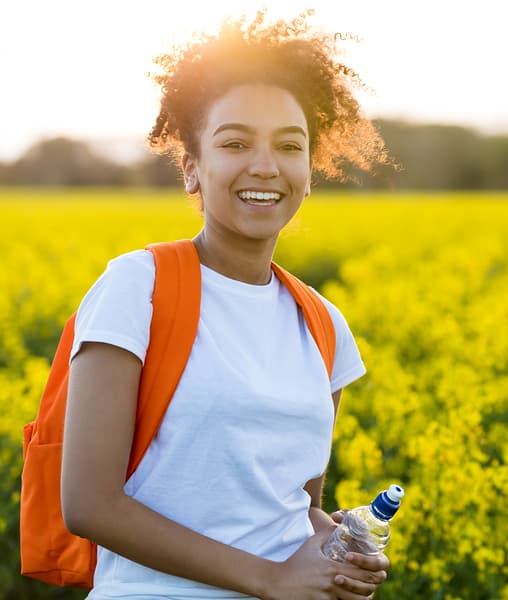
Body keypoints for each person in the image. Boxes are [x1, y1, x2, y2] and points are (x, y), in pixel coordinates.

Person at [61, 11, 390, 600]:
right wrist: (271, 579)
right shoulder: (138, 287)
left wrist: (334, 545)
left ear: (309, 173)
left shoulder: (322, 324)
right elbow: (88, 504)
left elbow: (289, 505)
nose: (265, 165)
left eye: (289, 146)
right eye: (235, 143)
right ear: (192, 169)